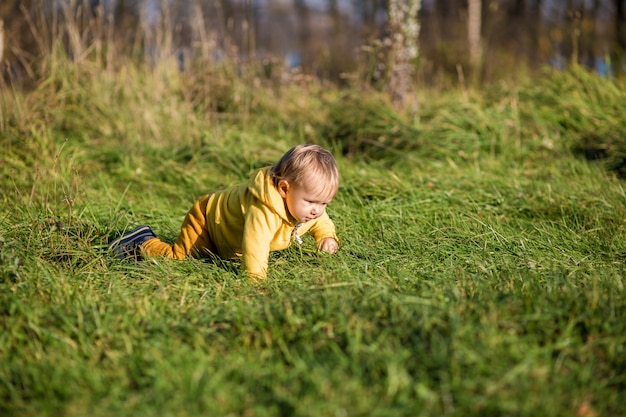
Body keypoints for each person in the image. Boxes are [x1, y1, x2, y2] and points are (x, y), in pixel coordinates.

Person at [108, 144, 340, 279]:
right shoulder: (264, 209)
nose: (317, 210)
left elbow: (322, 220)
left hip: (226, 239)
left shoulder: (308, 209)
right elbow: (255, 245)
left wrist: (326, 236)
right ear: (283, 188)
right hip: (207, 220)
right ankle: (141, 241)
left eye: (324, 203)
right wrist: (255, 281)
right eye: (311, 202)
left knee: (205, 260)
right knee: (178, 259)